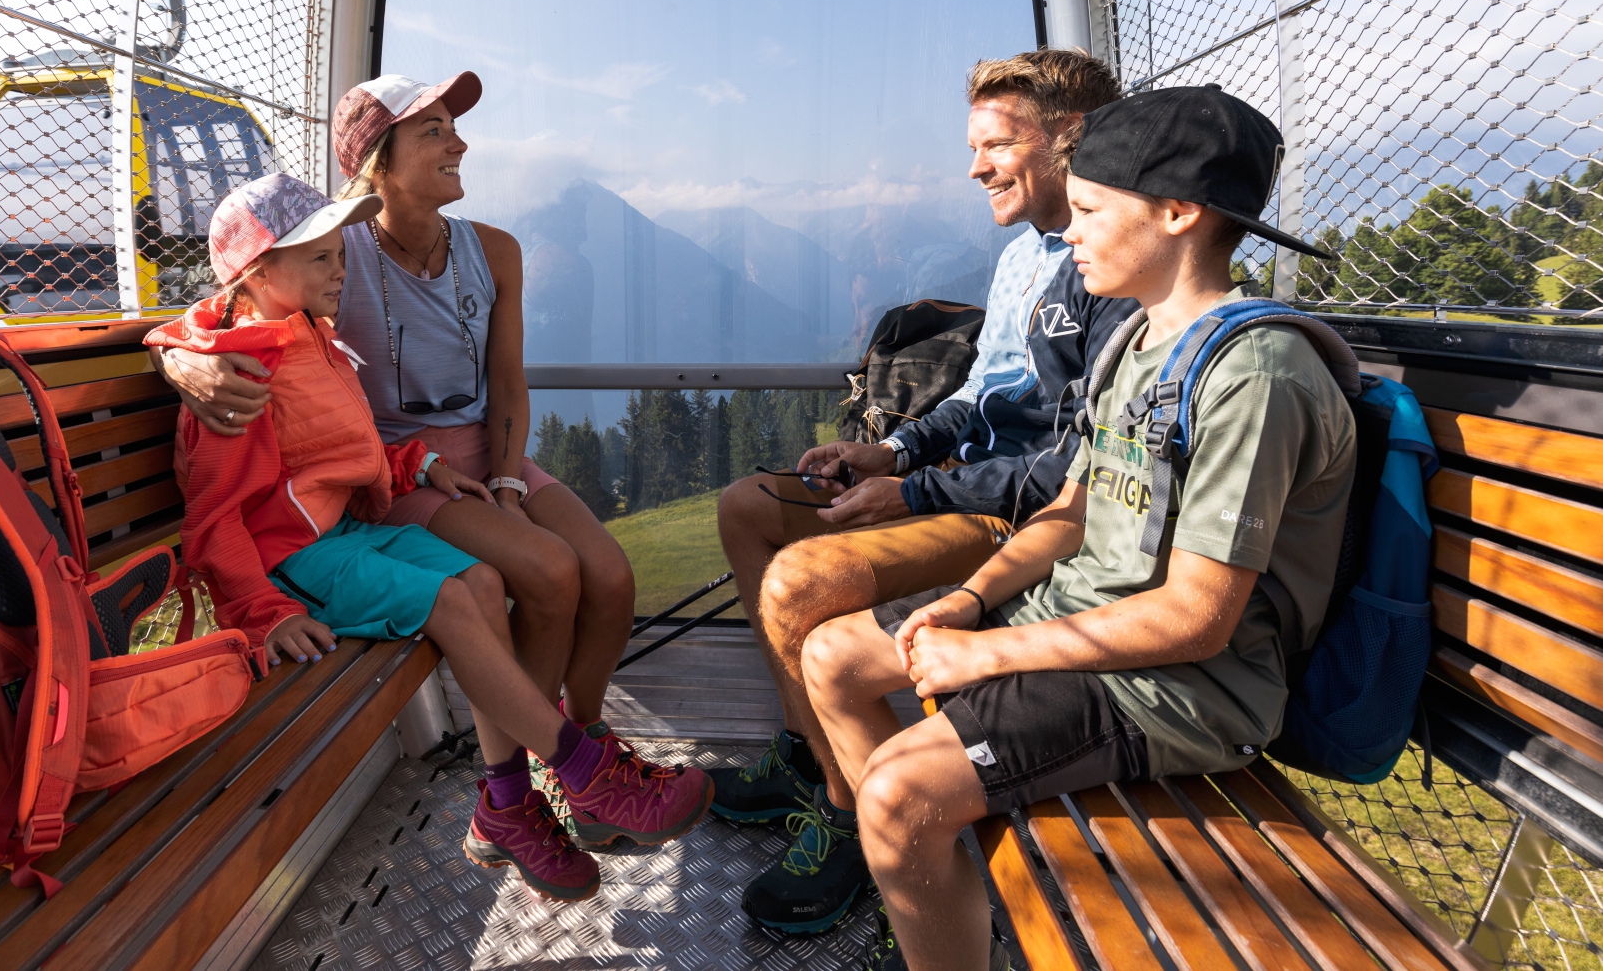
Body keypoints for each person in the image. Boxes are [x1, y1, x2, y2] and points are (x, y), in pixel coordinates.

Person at [802, 87, 1353, 971]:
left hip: (1173, 685)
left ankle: (926, 887)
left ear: (1177, 213)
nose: (1074, 235)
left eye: (1091, 211)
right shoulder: (1137, 344)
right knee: (832, 655)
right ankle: (931, 896)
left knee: (899, 793)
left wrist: (985, 655)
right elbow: (1070, 511)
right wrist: (971, 601)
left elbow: (1196, 619)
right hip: (1075, 621)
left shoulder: (1257, 377)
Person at [147, 173, 711, 903]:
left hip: (342, 533)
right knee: (451, 599)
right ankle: (584, 770)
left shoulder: (313, 340)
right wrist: (266, 613)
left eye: (338, 253)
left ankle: (508, 805)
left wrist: (418, 465)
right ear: (257, 273)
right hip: (292, 563)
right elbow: (214, 519)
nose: (339, 269)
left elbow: (335, 452)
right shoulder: (240, 378)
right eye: (320, 257)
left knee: (482, 581)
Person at [708, 51, 1139, 934]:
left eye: (996, 145)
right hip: (954, 482)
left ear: (1070, 139)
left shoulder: (1114, 269)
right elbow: (979, 396)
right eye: (974, 146)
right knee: (746, 509)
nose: (975, 168)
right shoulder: (1021, 259)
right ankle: (806, 752)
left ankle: (847, 815)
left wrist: (918, 495)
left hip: (1018, 513)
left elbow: (1078, 467)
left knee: (799, 587)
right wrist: (893, 453)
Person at [151, 72, 644, 780]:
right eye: (434, 131)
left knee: (611, 576)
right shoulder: (336, 254)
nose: (459, 144)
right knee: (550, 571)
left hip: (481, 452)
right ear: (377, 160)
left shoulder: (492, 251)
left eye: (454, 128)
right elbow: (229, 304)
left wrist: (509, 485)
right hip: (397, 466)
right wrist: (179, 360)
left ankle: (581, 730)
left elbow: (507, 383)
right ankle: (544, 772)